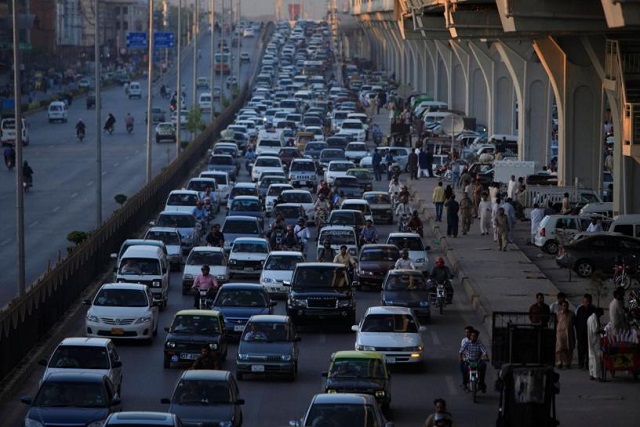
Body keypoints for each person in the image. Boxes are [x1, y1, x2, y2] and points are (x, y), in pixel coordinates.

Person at [575, 294, 597, 370]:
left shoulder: (593, 309)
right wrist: (577, 333)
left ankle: (588, 364)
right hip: (581, 333)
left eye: (589, 301)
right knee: (581, 349)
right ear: (583, 301)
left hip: (590, 333)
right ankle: (580, 364)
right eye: (586, 301)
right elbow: (576, 321)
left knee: (589, 350)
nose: (587, 303)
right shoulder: (579, 309)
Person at [555, 300, 575, 369]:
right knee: (559, 348)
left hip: (569, 333)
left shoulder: (572, 314)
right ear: (561, 306)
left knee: (569, 347)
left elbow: (574, 323)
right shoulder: (558, 314)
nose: (565, 307)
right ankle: (559, 362)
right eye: (564, 306)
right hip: (560, 333)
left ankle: (567, 362)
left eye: (566, 306)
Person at [587, 307, 604, 381]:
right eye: (601, 314)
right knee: (596, 358)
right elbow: (595, 330)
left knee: (591, 358)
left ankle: (591, 374)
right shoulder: (594, 319)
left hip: (590, 340)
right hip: (595, 341)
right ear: (598, 313)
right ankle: (597, 375)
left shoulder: (589, 318)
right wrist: (602, 331)